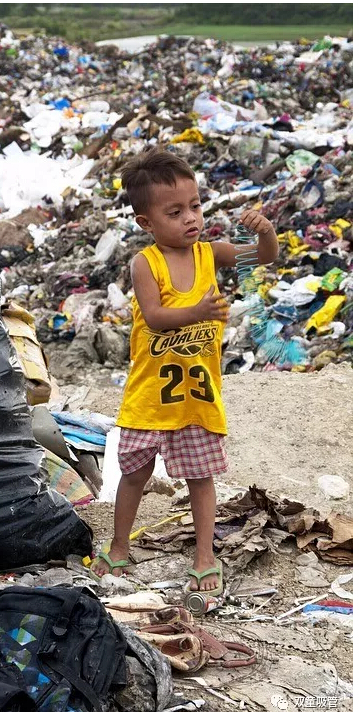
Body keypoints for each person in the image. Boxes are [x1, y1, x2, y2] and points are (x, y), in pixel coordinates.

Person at [91, 147, 279, 593]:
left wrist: (267, 232)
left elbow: (263, 257)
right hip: (150, 396)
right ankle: (119, 546)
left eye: (195, 206)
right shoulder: (145, 263)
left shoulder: (211, 254)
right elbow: (155, 317)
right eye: (174, 212)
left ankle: (204, 556)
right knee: (135, 475)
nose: (190, 218)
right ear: (147, 223)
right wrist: (197, 311)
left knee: (200, 477)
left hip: (197, 396)